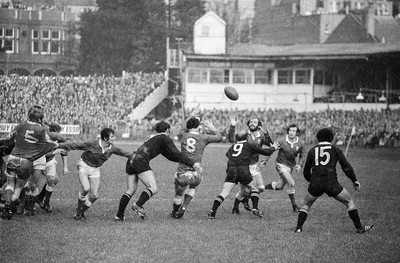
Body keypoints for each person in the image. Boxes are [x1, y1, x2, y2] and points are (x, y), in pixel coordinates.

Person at [115, 120, 203, 221]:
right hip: (140, 161)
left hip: (132, 159)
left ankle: (119, 216)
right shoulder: (165, 138)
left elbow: (170, 156)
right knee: (153, 188)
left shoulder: (156, 138)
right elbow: (176, 153)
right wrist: (193, 163)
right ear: (168, 130)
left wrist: (181, 161)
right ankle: (138, 205)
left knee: (130, 190)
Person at [294, 128, 373, 234]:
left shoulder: (313, 150)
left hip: (316, 183)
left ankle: (298, 228)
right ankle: (359, 228)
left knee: (306, 205)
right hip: (331, 182)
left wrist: (312, 181)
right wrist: (354, 180)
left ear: (318, 138)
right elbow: (346, 167)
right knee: (349, 202)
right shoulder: (335, 149)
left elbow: (306, 172)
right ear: (331, 138)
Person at [57, 128, 132, 220]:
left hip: (95, 170)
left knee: (94, 195)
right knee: (86, 188)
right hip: (84, 166)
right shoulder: (92, 143)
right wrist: (58, 145)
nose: (114, 138)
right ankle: (79, 209)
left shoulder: (112, 148)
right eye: (112, 136)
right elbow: (75, 145)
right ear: (105, 138)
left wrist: (139, 155)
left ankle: (80, 212)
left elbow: (125, 153)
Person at [1, 105, 57, 220]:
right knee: (19, 187)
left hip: (13, 157)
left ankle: (7, 206)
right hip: (26, 161)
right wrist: (57, 145)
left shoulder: (21, 125)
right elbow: (49, 143)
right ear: (40, 119)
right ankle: (15, 203)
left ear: (28, 116)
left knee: (10, 184)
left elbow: (7, 138)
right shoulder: (41, 129)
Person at [208, 130, 280, 219]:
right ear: (246, 138)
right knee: (254, 189)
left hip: (231, 170)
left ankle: (212, 211)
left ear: (236, 138)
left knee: (224, 193)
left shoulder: (232, 147)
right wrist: (273, 148)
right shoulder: (249, 145)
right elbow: (266, 152)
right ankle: (255, 208)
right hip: (243, 169)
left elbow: (228, 155)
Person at [172, 117, 222, 219]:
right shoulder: (204, 137)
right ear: (198, 127)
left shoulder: (183, 135)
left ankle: (175, 213)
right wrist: (213, 128)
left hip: (182, 172)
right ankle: (184, 206)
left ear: (187, 127)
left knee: (178, 194)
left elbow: (182, 127)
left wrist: (191, 114)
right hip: (196, 172)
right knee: (192, 187)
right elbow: (219, 137)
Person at [228, 114, 274, 214]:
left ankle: (245, 199)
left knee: (261, 188)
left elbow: (272, 145)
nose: (252, 123)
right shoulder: (244, 134)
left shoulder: (261, 135)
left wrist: (267, 134)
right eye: (251, 122)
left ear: (259, 125)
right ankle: (235, 207)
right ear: (248, 124)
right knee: (246, 191)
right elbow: (232, 139)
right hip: (244, 166)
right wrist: (232, 127)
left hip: (254, 166)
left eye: (255, 122)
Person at [264, 124, 305, 212]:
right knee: (291, 182)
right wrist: (265, 160)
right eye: (290, 130)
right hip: (280, 164)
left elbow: (303, 155)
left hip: (290, 166)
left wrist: (299, 165)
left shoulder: (300, 143)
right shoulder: (282, 140)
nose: (291, 132)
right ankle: (294, 206)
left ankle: (261, 188)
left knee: (279, 186)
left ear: (297, 133)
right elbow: (272, 149)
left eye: (294, 131)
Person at [37, 122, 69, 212]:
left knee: (53, 180)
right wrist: (55, 152)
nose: (59, 136)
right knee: (31, 184)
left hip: (49, 161)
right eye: (58, 133)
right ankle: (23, 203)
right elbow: (41, 154)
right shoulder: (43, 138)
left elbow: (64, 151)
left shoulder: (56, 139)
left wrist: (65, 166)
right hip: (38, 161)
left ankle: (45, 201)